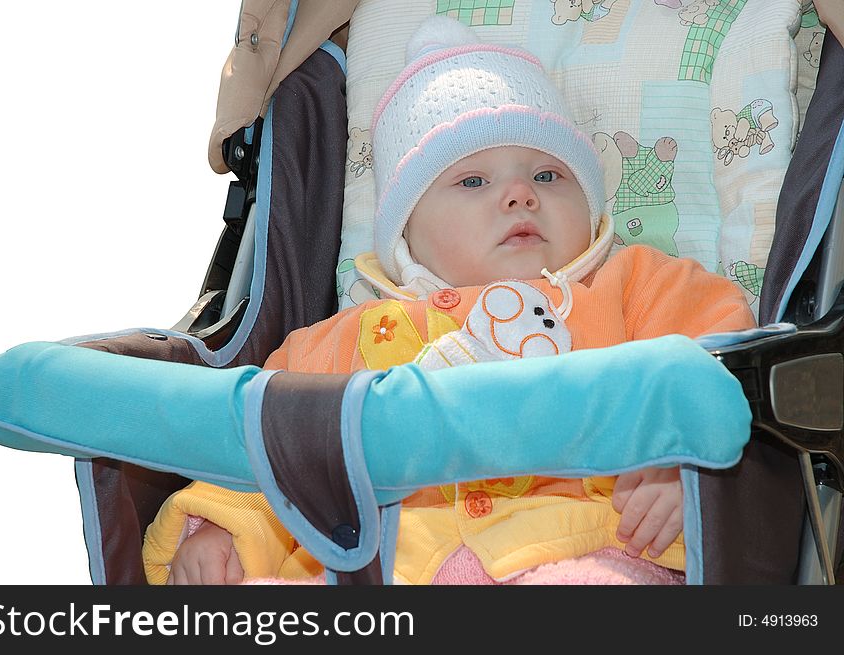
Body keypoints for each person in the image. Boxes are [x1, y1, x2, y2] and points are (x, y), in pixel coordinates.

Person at [142, 16, 757, 585]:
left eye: (548, 175)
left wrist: (685, 463)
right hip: (384, 564)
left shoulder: (634, 284)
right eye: (472, 181)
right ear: (407, 231)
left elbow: (721, 362)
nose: (519, 193)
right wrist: (221, 527)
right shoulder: (344, 338)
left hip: (584, 543)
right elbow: (275, 444)